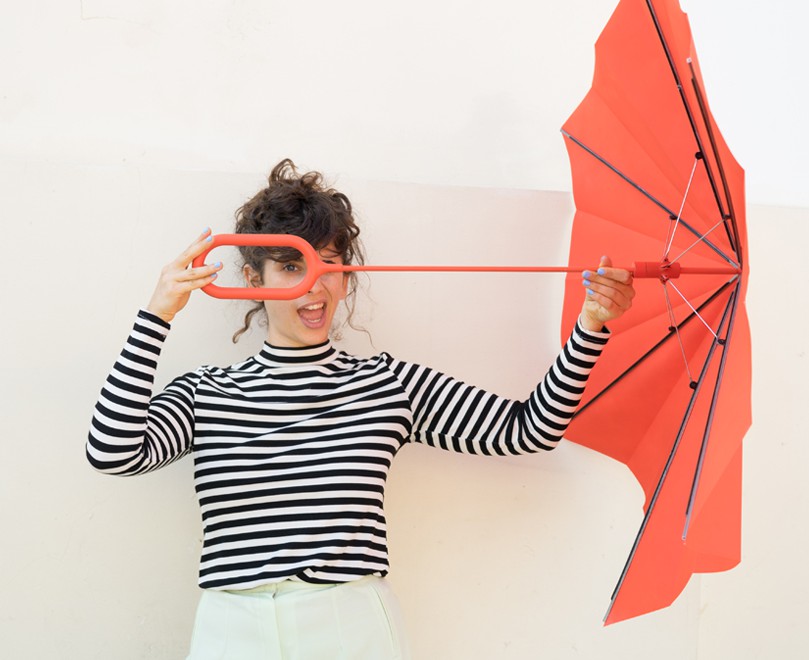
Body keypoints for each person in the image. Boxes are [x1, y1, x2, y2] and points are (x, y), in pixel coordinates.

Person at [87, 159, 635, 659]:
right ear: (253, 279)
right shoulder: (207, 392)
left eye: (329, 264)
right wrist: (156, 315)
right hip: (232, 629)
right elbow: (112, 452)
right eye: (291, 266)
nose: (315, 285)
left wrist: (591, 326)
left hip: (349, 626)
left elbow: (528, 429)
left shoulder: (385, 384)